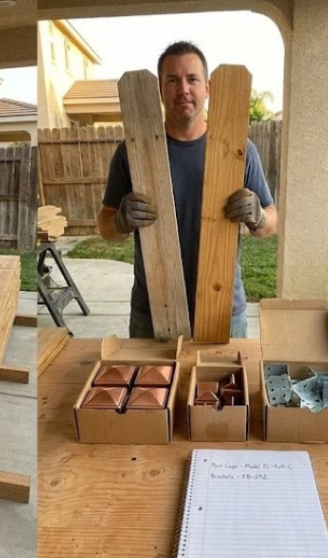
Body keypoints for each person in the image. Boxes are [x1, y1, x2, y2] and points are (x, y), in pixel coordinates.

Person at [97, 41, 278, 339]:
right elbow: (106, 228)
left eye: (192, 79)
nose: (183, 89)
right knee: (150, 387)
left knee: (223, 387)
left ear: (207, 87)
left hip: (224, 308)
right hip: (153, 308)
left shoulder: (239, 149)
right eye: (172, 80)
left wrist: (258, 215)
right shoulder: (131, 152)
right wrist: (120, 221)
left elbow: (271, 222)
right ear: (161, 91)